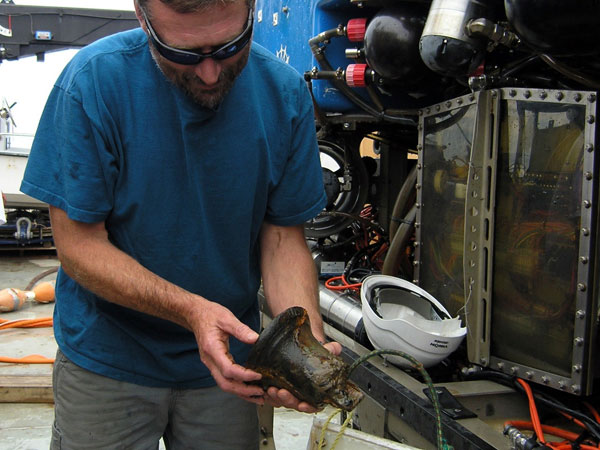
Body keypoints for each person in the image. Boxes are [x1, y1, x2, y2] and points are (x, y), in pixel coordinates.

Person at [21, 0, 341, 448]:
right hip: (109, 359)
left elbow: (282, 240)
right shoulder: (93, 83)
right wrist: (192, 310)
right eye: (184, 54)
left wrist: (303, 347)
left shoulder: (283, 93)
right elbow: (78, 247)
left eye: (230, 47)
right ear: (141, 15)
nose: (210, 72)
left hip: (230, 367)